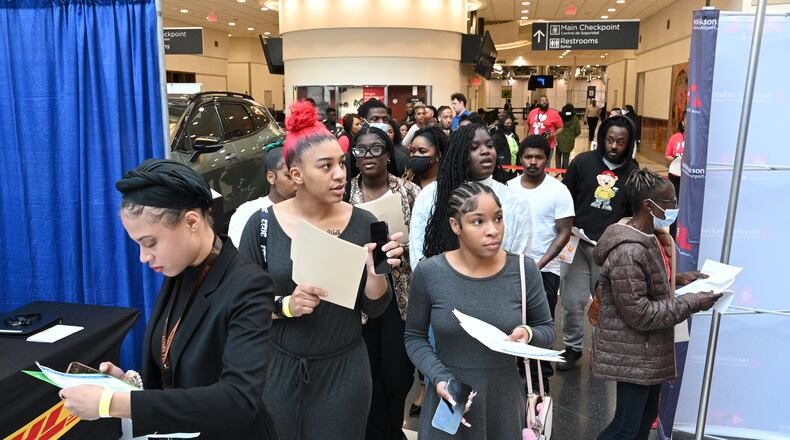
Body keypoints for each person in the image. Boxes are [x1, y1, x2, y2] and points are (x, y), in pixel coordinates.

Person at [60, 159, 278, 439]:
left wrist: (113, 404)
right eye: (137, 244)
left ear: (191, 221)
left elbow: (238, 400)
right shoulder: (179, 271)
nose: (143, 257)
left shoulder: (248, 286)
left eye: (150, 243)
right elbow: (173, 366)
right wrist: (127, 386)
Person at [238, 101, 404, 440]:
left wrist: (376, 274)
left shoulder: (364, 222)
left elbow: (374, 307)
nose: (341, 174)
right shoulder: (263, 225)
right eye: (326, 166)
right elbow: (241, 305)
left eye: (342, 163)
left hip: (345, 371)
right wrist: (286, 305)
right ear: (296, 174)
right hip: (280, 370)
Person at [404, 182, 554, 440]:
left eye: (498, 218)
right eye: (478, 222)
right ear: (455, 226)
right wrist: (440, 379)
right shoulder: (429, 273)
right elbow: (414, 337)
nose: (493, 230)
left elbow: (547, 330)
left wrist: (527, 333)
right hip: (449, 398)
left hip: (503, 402)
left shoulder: (523, 270)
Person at [592, 168, 720, 440]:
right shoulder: (628, 250)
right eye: (670, 203)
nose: (674, 207)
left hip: (647, 350)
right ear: (648, 206)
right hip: (634, 351)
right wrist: (692, 302)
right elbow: (640, 313)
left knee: (644, 420)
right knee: (625, 428)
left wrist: (681, 279)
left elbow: (649, 283)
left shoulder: (650, 237)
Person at [344, 126, 421, 440]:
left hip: (401, 296)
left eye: (376, 149)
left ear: (389, 154)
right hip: (359, 297)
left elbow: (423, 244)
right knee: (367, 374)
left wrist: (400, 251)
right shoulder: (344, 193)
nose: (368, 156)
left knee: (397, 374)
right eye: (360, 150)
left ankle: (392, 430)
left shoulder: (409, 192)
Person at [557, 116, 639, 371]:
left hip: (610, 249)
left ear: (629, 143)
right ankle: (572, 347)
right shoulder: (582, 162)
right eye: (610, 140)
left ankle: (601, 351)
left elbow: (635, 212)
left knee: (606, 304)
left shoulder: (633, 171)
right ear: (602, 139)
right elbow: (564, 198)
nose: (614, 146)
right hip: (578, 244)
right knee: (572, 302)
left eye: (621, 142)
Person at [410, 124, 532, 269]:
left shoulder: (515, 201)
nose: (485, 151)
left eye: (490, 145)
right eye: (474, 147)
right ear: (458, 154)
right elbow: (417, 252)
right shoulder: (430, 195)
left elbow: (519, 260)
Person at [508, 135, 574, 391]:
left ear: (547, 159)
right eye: (528, 157)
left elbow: (564, 231)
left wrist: (540, 263)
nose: (533, 162)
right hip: (511, 269)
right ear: (520, 159)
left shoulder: (559, 190)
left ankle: (539, 379)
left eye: (539, 157)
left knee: (540, 325)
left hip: (545, 271)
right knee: (512, 322)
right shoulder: (509, 188)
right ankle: (514, 374)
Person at [228, 146, 297, 246]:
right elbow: (240, 258)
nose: (298, 181)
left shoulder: (312, 209)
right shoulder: (246, 214)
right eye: (289, 176)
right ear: (271, 177)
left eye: (300, 174)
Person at [665, 110, 685, 238]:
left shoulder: (697, 139)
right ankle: (673, 235)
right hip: (675, 175)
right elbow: (667, 155)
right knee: (675, 206)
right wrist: (676, 159)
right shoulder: (675, 138)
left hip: (690, 177)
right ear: (683, 122)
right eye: (686, 120)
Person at [527, 95, 564, 164]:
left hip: (547, 144)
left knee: (545, 165)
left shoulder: (554, 114)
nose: (545, 102)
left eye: (546, 100)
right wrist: (526, 137)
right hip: (533, 144)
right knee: (534, 164)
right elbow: (528, 125)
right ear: (539, 102)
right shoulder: (532, 112)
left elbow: (561, 127)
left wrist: (553, 134)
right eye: (543, 100)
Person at [555, 103, 581, 170]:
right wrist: (572, 136)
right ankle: (564, 173)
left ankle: (558, 170)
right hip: (569, 141)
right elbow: (578, 131)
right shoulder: (575, 119)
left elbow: (555, 127)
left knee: (558, 155)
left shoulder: (560, 117)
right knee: (566, 157)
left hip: (559, 139)